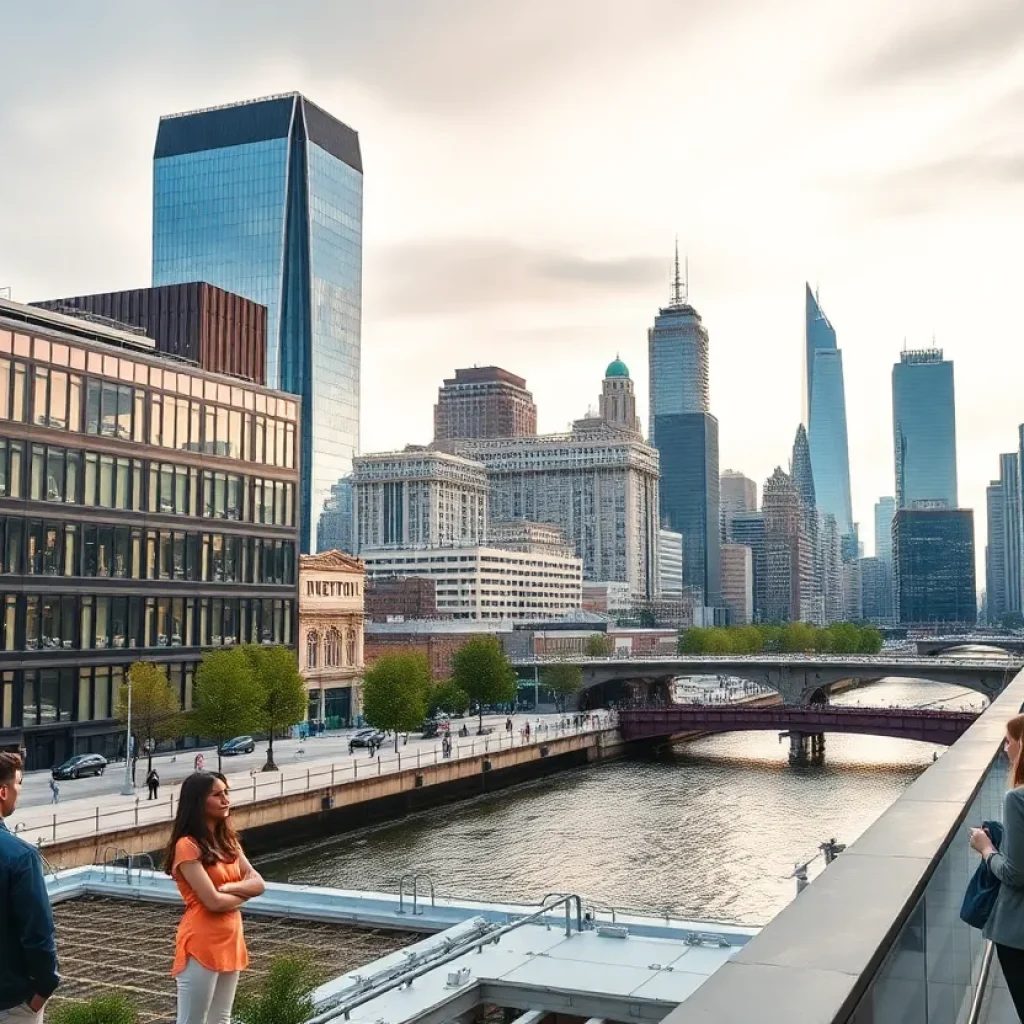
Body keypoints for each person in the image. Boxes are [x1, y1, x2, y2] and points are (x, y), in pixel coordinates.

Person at [164, 771, 264, 1024]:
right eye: (217, 794)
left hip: (231, 937)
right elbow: (212, 903)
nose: (225, 799)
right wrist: (243, 891)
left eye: (226, 793)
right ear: (198, 801)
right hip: (202, 942)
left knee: (221, 1019)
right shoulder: (187, 845)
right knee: (192, 1021)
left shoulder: (228, 841)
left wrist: (228, 889)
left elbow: (259, 884)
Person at [971, 712, 1024, 1018]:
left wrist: (986, 847)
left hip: (1018, 934)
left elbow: (1015, 874)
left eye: (1009, 741)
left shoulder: (1017, 799)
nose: (1005, 749)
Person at [0, 752, 60, 1021]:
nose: (19, 791)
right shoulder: (21, 857)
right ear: (3, 791)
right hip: (10, 1002)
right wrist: (42, 992)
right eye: (18, 783)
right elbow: (38, 934)